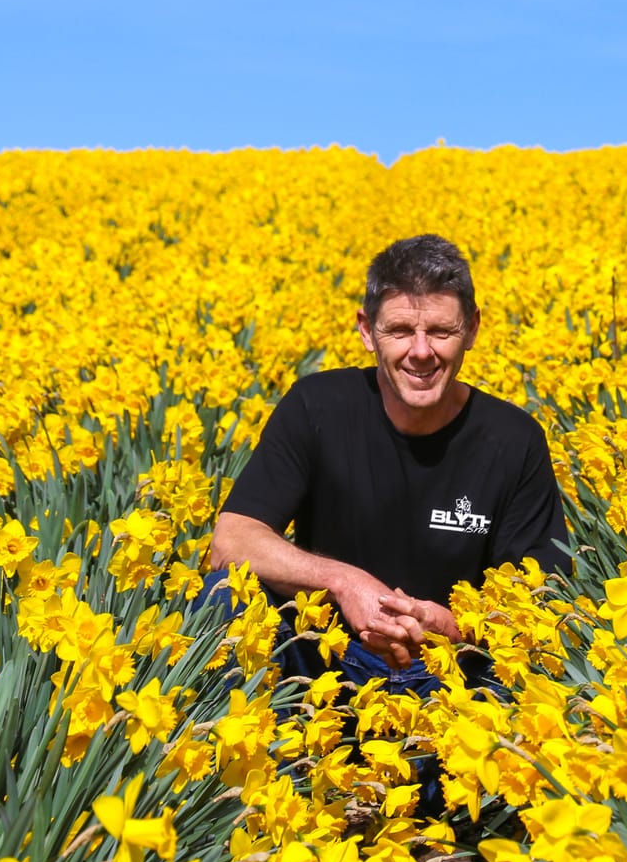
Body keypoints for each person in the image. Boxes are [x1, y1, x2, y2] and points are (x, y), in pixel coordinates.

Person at [205, 233, 570, 692]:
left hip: (450, 671)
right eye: (399, 331)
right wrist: (343, 583)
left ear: (472, 329)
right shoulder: (317, 408)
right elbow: (232, 540)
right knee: (221, 599)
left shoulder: (514, 440)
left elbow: (542, 599)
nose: (421, 352)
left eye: (441, 331)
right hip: (323, 660)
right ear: (366, 330)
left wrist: (454, 626)